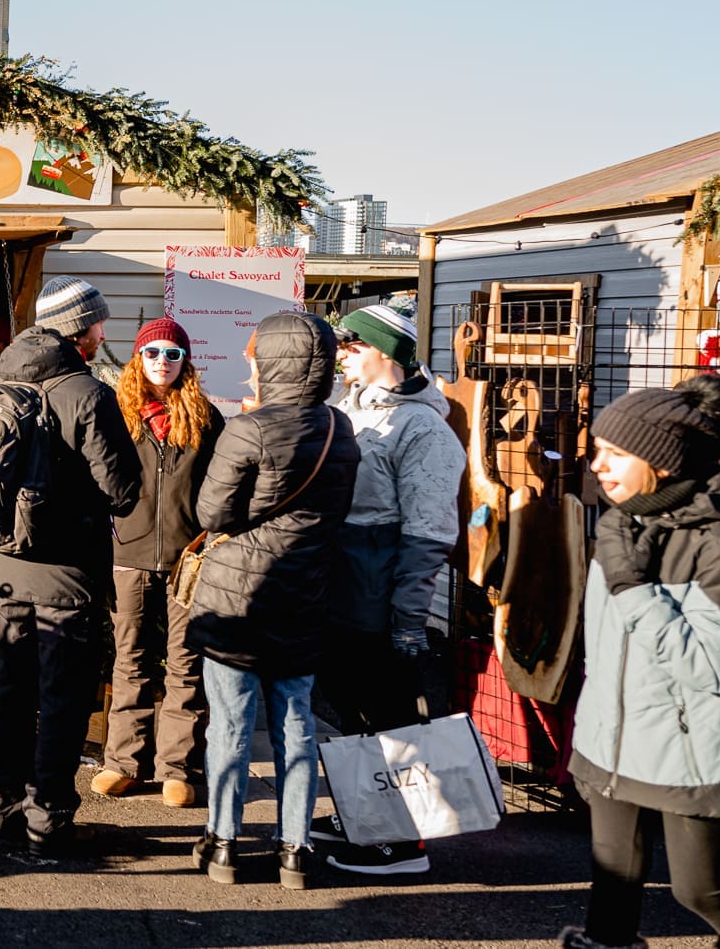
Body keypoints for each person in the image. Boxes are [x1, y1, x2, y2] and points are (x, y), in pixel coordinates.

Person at [559, 378, 720, 949]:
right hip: (617, 739)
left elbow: (712, 668)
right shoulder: (626, 524)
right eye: (598, 449)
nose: (597, 464)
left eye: (616, 453)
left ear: (664, 464)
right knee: (612, 884)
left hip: (700, 749)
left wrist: (633, 591)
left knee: (699, 890)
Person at [185, 313, 360, 890]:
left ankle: (224, 844)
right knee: (297, 725)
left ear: (276, 362)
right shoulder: (340, 428)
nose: (249, 364)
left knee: (230, 726)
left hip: (238, 596)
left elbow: (212, 514)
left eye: (255, 355)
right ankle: (295, 850)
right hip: (305, 594)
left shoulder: (247, 428)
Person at [0, 276, 141, 853]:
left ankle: (1, 812)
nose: (103, 333)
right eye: (99, 323)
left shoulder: (1, 381)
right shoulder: (87, 393)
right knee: (63, 699)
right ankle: (47, 821)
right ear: (82, 329)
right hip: (66, 576)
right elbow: (122, 489)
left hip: (3, 567)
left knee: (9, 689)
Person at [314, 303, 464, 876]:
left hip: (380, 599)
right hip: (343, 592)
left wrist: (407, 622)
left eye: (352, 345)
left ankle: (400, 842)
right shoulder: (351, 410)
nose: (342, 355)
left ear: (384, 351)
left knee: (388, 717)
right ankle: (361, 815)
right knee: (350, 712)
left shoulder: (424, 428)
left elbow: (428, 536)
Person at [91, 316, 225, 808]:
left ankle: (177, 767)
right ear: (137, 359)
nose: (162, 362)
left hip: (188, 562)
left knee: (185, 665)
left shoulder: (206, 418)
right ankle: (123, 763)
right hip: (126, 556)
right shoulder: (117, 414)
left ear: (185, 361)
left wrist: (209, 539)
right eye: (153, 353)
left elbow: (222, 489)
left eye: (172, 354)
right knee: (130, 662)